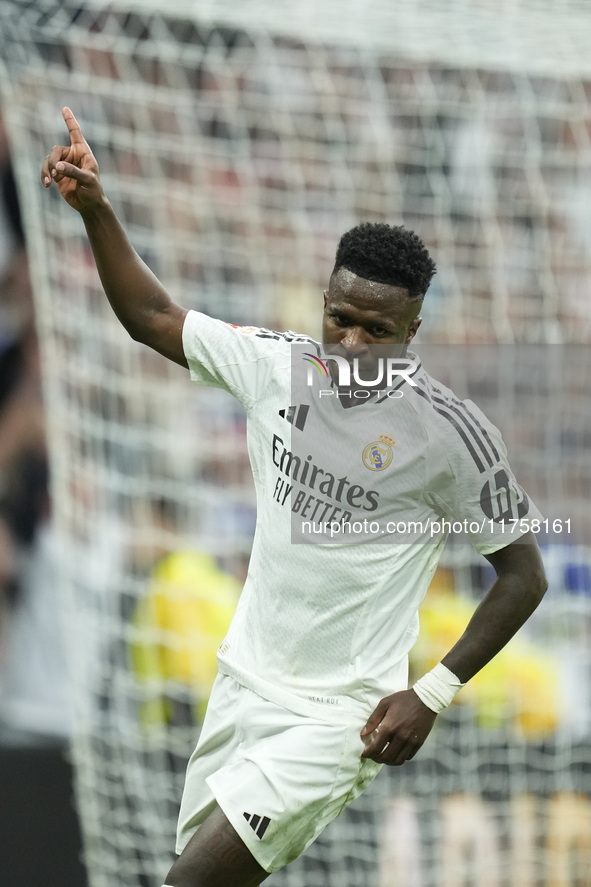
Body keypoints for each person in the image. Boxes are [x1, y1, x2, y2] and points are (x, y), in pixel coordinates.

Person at [41, 108, 548, 887]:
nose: (349, 344)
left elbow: (523, 573)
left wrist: (433, 691)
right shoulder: (273, 367)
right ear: (322, 302)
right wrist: (98, 211)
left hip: (340, 718)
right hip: (241, 683)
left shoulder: (452, 436)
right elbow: (151, 317)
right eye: (337, 319)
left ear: (412, 327)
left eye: (374, 331)